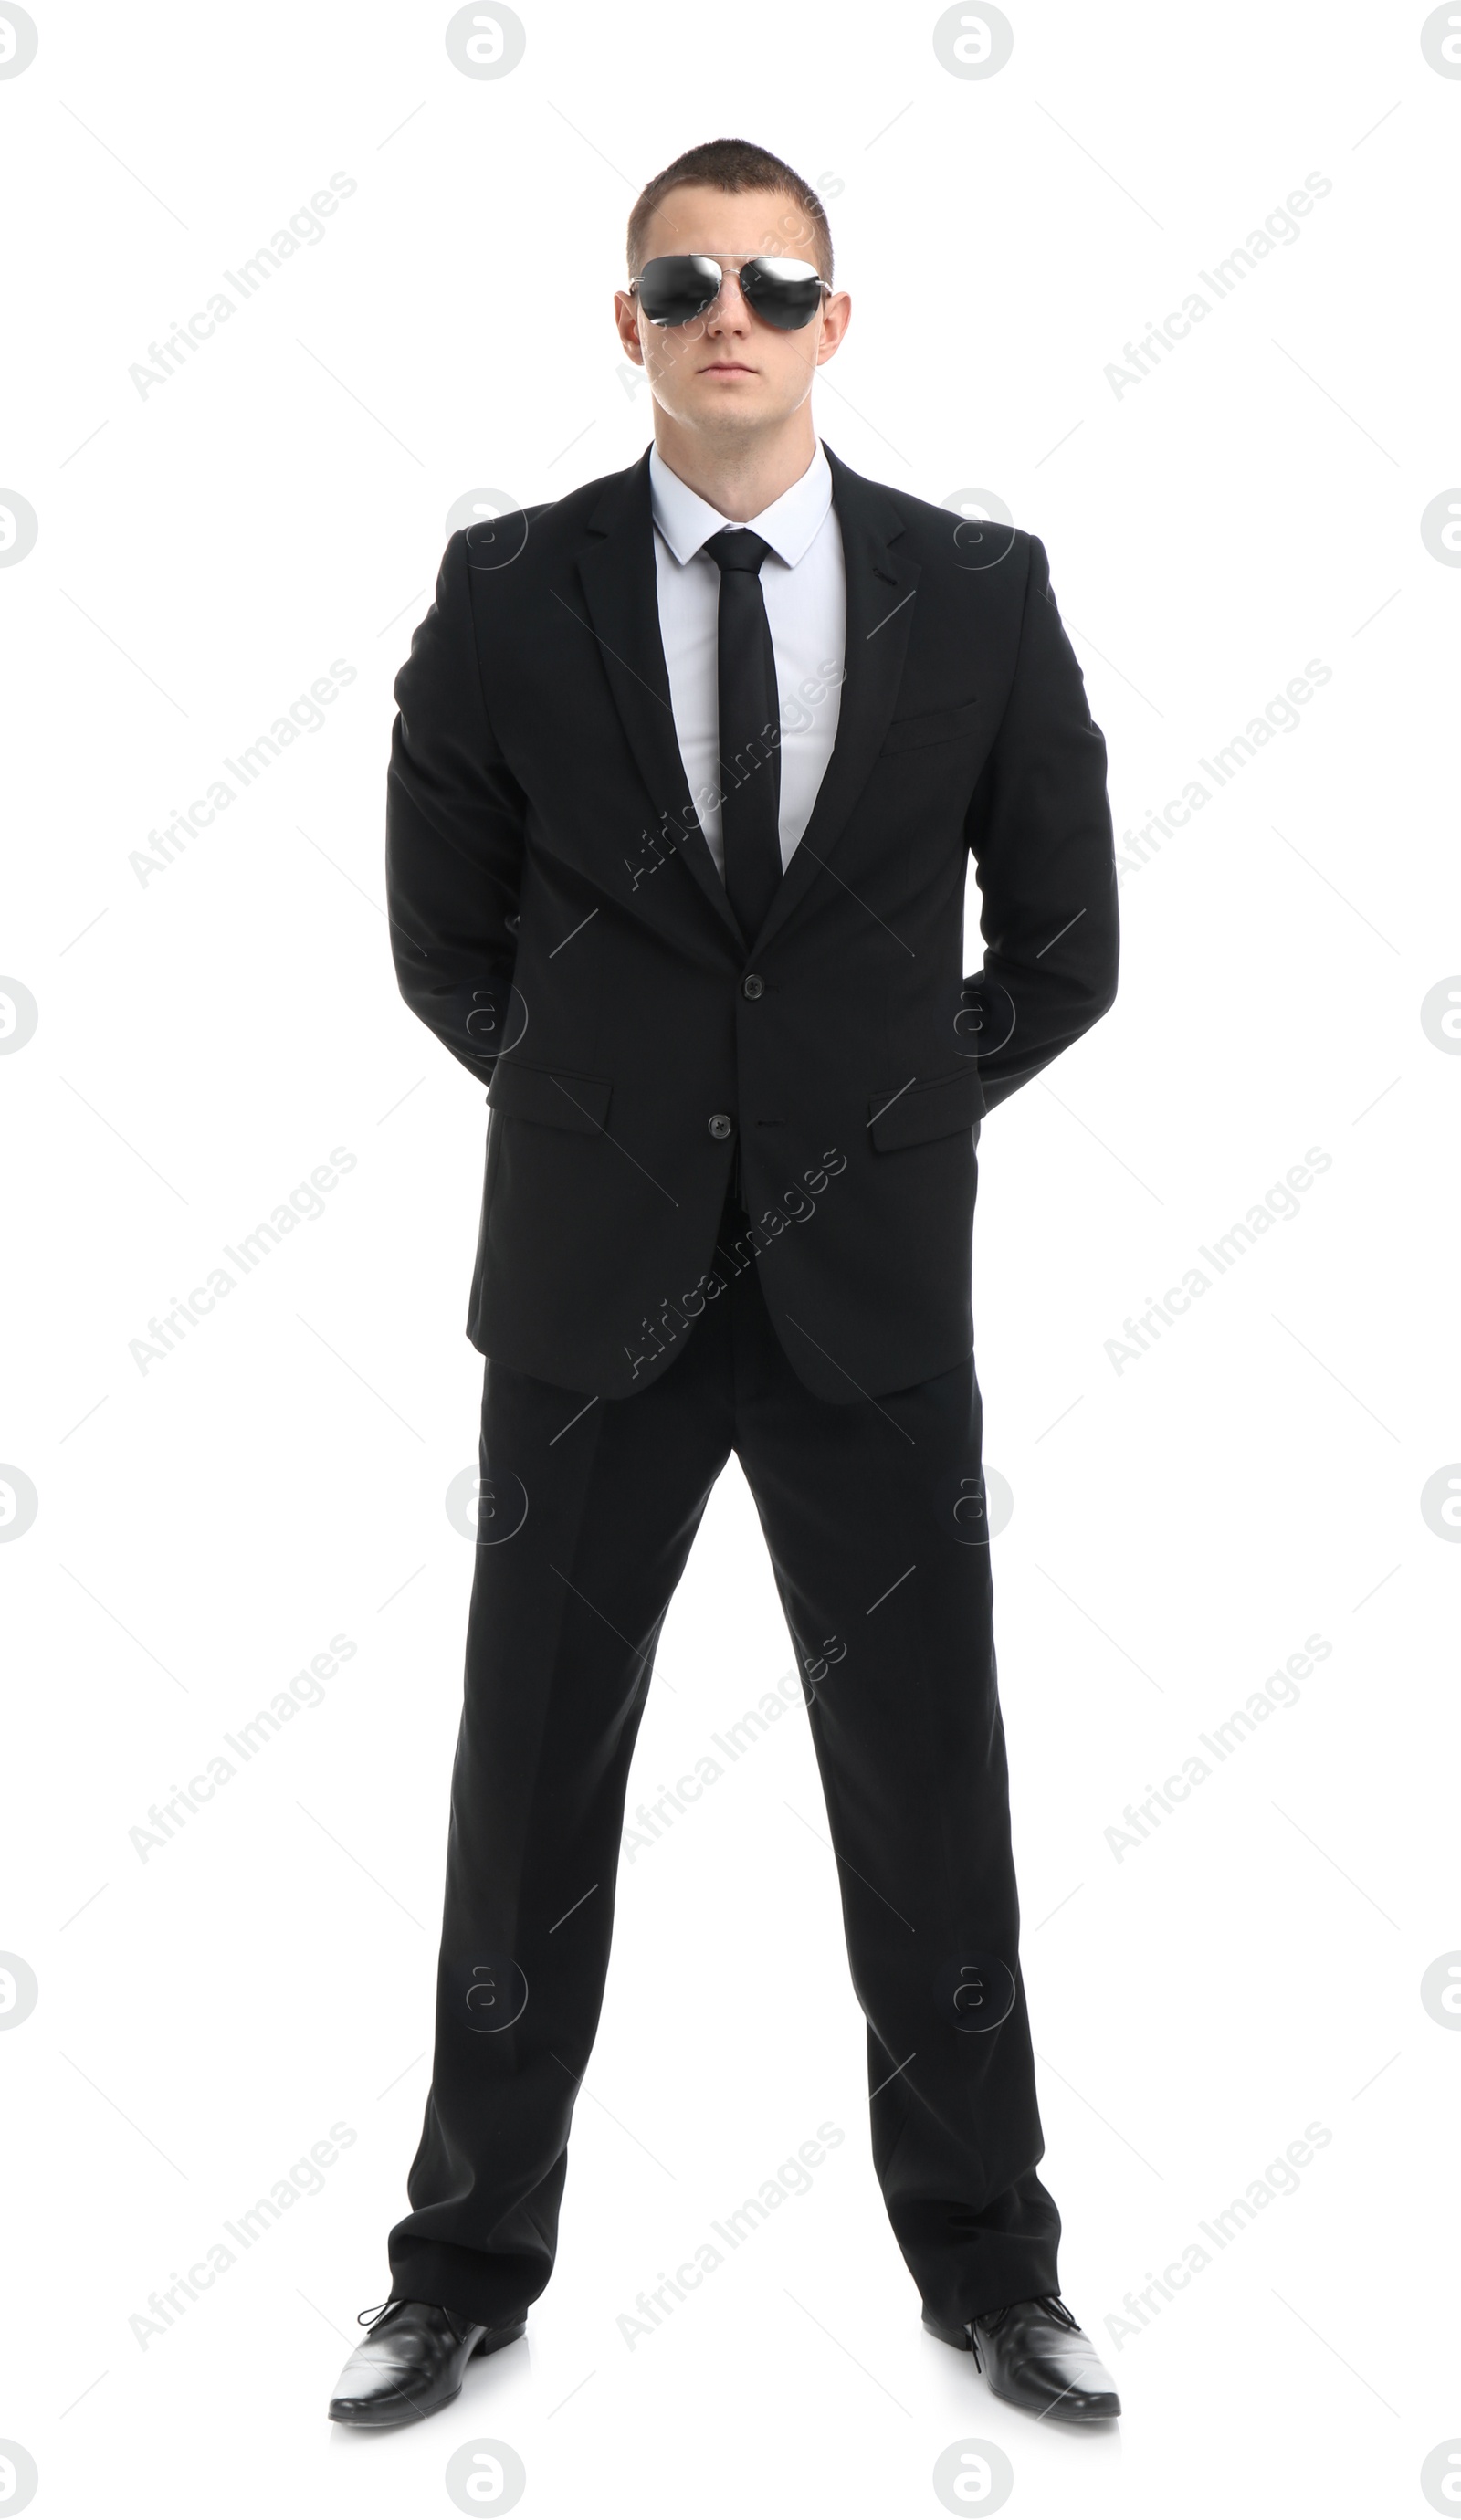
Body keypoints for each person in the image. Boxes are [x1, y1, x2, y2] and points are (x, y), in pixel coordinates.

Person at [329, 134, 1121, 2433]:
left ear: (834, 318)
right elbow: (441, 948)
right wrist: (606, 1120)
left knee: (927, 1782)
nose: (729, 316)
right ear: (630, 327)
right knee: (526, 1789)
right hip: (591, 1305)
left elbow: (1060, 956)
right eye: (682, 284)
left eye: (773, 280)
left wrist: (858, 1125)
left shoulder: (975, 591)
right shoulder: (508, 591)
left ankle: (991, 2266)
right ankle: (460, 2265)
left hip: (869, 1295)